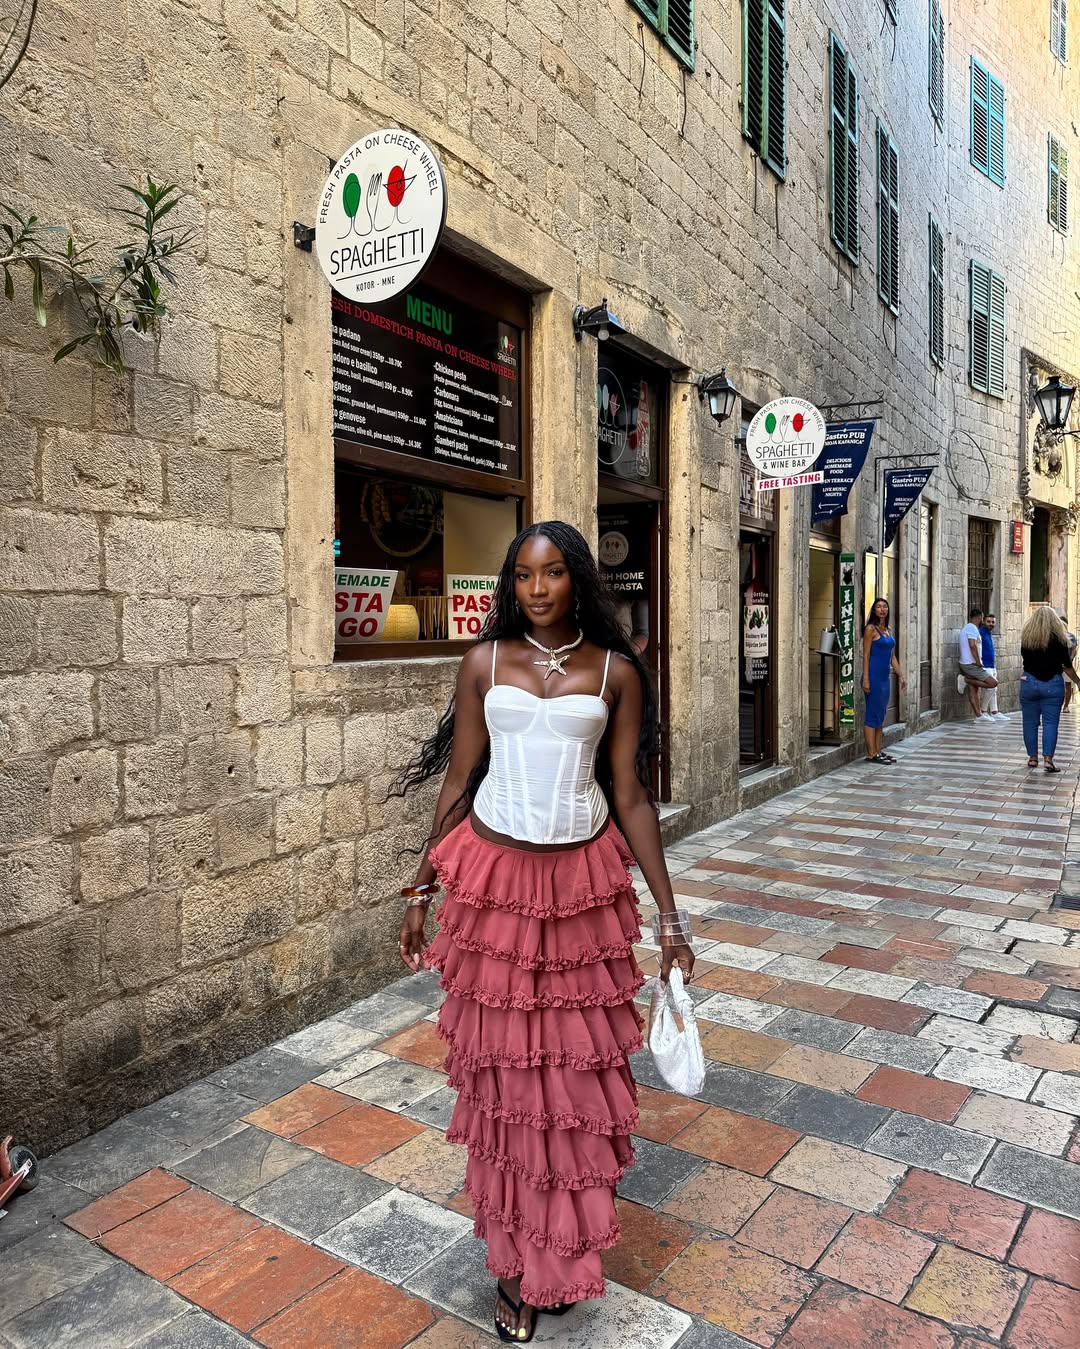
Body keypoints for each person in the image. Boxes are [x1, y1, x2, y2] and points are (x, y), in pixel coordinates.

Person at [393, 521, 694, 1343]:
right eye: (523, 575)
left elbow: (630, 795)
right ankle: (513, 1262)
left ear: (577, 579)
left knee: (565, 1087)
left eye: (554, 573)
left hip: (579, 890)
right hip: (494, 885)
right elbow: (462, 776)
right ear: (510, 583)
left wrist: (671, 917)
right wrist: (421, 884)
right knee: (506, 1085)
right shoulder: (484, 662)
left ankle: (554, 1253)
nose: (537, 588)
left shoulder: (617, 672)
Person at [1020, 605, 1080, 772]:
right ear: (1054, 621)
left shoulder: (1027, 638)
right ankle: (1048, 760)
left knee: (1029, 723)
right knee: (1050, 722)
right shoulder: (1059, 639)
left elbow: (1025, 658)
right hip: (1052, 684)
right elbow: (1067, 665)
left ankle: (1032, 758)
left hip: (1029, 682)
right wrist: (1077, 681)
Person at [861, 596, 907, 764]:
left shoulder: (888, 629)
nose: (882, 609)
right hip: (872, 677)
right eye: (879, 607)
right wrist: (866, 679)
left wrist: (901, 675)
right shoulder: (870, 629)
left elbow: (892, 656)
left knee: (880, 716)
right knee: (872, 716)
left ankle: (878, 751)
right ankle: (870, 754)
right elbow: (865, 656)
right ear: (874, 610)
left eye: (885, 607)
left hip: (884, 679)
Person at [958, 606, 998, 718]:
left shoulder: (968, 627)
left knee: (973, 689)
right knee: (993, 683)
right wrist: (978, 662)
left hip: (968, 664)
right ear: (980, 617)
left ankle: (979, 716)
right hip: (971, 664)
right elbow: (972, 645)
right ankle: (965, 680)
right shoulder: (972, 628)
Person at [977, 612, 1005, 719]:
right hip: (984, 665)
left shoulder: (989, 633)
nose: (991, 624)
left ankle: (994, 711)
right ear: (983, 621)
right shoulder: (981, 632)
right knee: (991, 687)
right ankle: (983, 710)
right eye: (988, 622)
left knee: (994, 689)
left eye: (993, 622)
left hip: (992, 666)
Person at [1058, 611, 1078, 712]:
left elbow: (1074, 649)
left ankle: (1066, 706)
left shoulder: (1071, 636)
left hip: (1067, 664)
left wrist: (1070, 659)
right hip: (1057, 665)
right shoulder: (1056, 636)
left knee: (1067, 684)